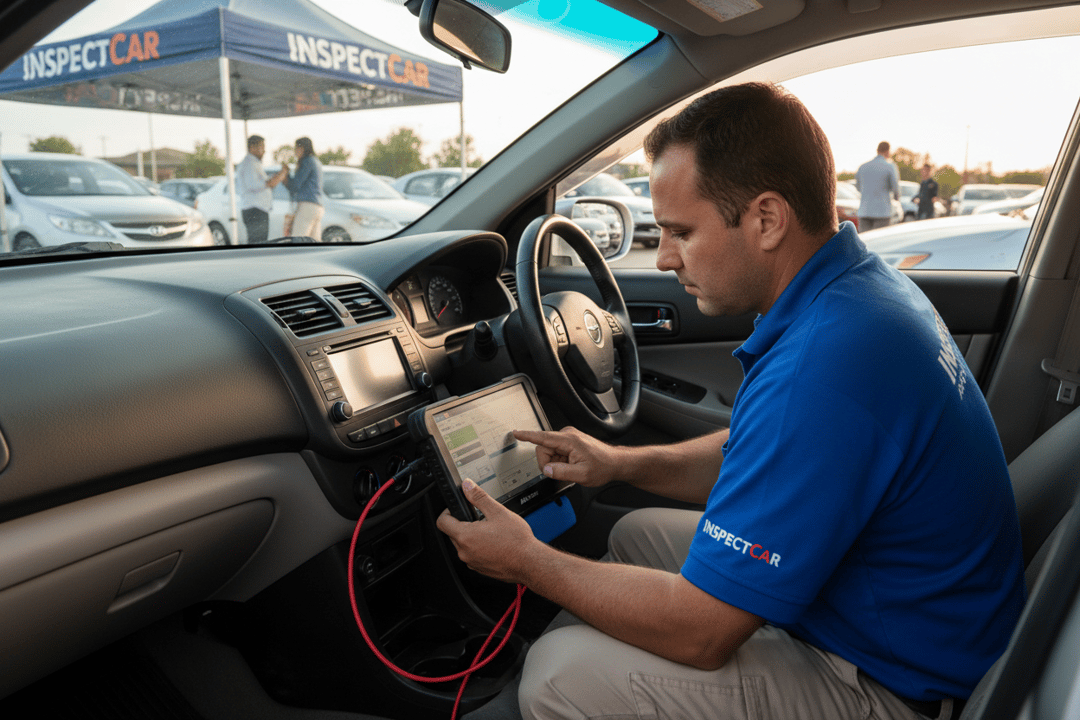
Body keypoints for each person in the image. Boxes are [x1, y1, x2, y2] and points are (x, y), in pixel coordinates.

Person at [438, 82, 1026, 720]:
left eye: (680, 232)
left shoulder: (824, 369)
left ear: (767, 220)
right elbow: (770, 453)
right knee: (635, 534)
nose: (662, 258)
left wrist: (527, 561)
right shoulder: (857, 293)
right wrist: (619, 463)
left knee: (555, 676)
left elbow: (701, 633)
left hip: (897, 687)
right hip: (884, 616)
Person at [236, 135, 288, 244]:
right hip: (255, 209)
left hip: (257, 209)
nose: (264, 151)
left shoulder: (253, 163)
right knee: (258, 245)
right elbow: (256, 185)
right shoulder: (250, 164)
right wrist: (280, 175)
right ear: (252, 147)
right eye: (262, 147)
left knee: (259, 243)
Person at [284, 136, 324, 240]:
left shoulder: (306, 162)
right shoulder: (315, 161)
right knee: (314, 242)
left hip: (307, 206)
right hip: (317, 206)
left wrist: (286, 174)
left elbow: (295, 185)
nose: (295, 151)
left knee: (299, 240)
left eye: (296, 148)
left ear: (302, 148)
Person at [855, 140, 900, 230]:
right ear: (888, 151)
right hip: (882, 212)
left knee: (865, 240)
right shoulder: (890, 166)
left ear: (877, 150)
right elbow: (895, 188)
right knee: (879, 242)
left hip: (864, 211)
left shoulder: (863, 167)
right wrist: (896, 198)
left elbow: (858, 187)